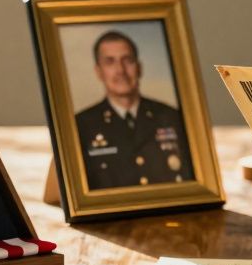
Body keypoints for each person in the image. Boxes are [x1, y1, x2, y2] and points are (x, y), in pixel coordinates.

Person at [74, 30, 191, 189]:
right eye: (110, 62)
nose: (121, 70)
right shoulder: (80, 126)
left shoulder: (172, 117)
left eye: (127, 60)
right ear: (99, 72)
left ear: (139, 67)